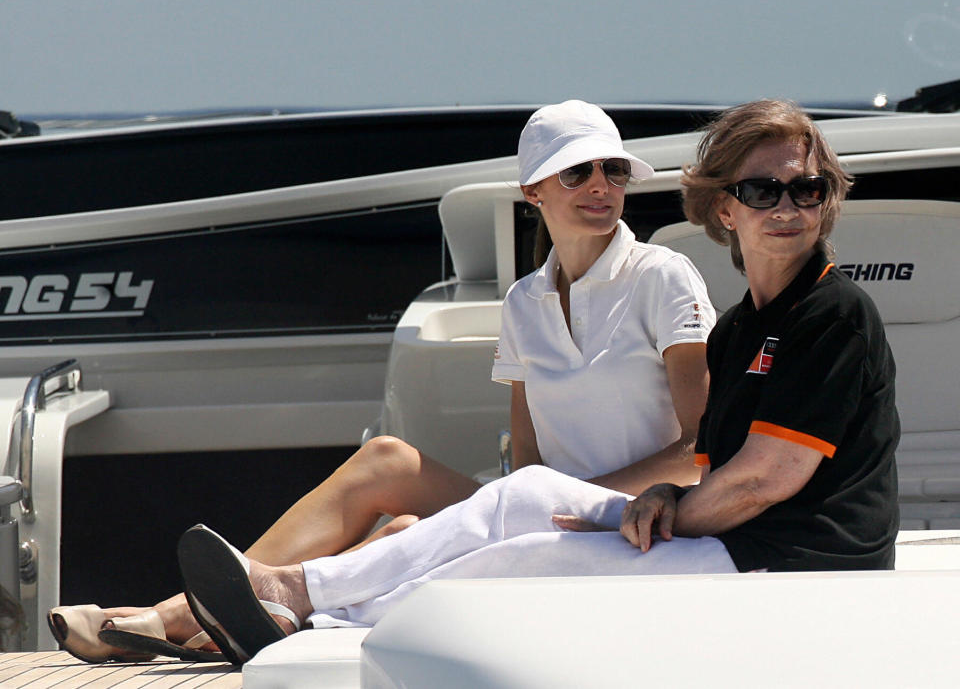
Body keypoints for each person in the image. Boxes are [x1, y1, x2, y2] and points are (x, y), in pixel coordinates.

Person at [173, 99, 900, 665]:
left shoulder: (832, 315)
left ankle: (298, 606)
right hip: (735, 539)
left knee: (524, 560)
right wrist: (652, 504)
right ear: (724, 207)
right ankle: (291, 594)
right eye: (764, 190)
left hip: (790, 562)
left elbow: (761, 481)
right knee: (521, 496)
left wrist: (645, 514)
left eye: (807, 190)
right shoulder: (741, 328)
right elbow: (704, 466)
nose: (788, 208)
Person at [49, 100, 715, 663]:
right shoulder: (522, 302)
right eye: (578, 172)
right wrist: (524, 501)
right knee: (386, 461)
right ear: (533, 191)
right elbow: (529, 457)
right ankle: (217, 610)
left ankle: (169, 620)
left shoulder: (661, 276)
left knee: (401, 533)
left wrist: (546, 501)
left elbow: (697, 447)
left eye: (614, 170)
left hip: (629, 515)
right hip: (534, 504)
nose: (601, 184)